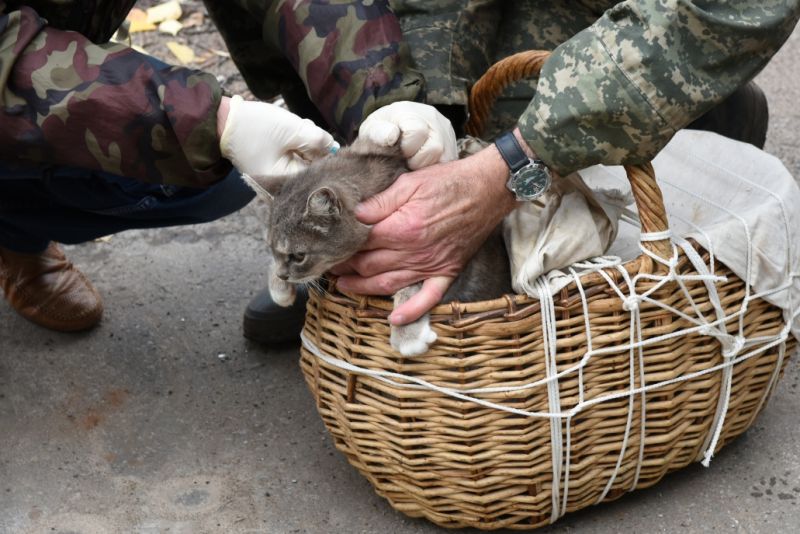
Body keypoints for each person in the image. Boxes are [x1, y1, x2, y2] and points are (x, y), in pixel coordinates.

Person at [1, 2, 797, 339]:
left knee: (567, 159)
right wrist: (210, 124)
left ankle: (687, 122)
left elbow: (725, 12)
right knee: (186, 168)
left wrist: (500, 161)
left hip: (607, 28)